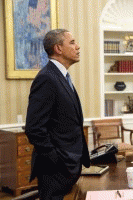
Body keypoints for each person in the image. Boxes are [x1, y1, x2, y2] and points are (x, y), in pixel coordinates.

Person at [25, 29, 90, 200]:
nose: (78, 47)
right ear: (58, 49)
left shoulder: (61, 76)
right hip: (55, 170)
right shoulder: (47, 78)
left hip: (69, 166)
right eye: (72, 42)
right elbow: (34, 129)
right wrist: (57, 162)